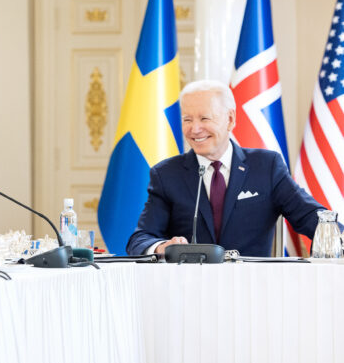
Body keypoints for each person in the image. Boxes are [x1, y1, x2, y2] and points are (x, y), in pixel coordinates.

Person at [126, 79, 324, 257]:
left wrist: (336, 234)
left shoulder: (266, 166)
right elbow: (140, 240)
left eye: (204, 118)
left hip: (252, 288)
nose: (194, 129)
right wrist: (164, 247)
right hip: (189, 288)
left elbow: (310, 218)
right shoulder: (166, 174)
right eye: (187, 120)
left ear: (230, 119)